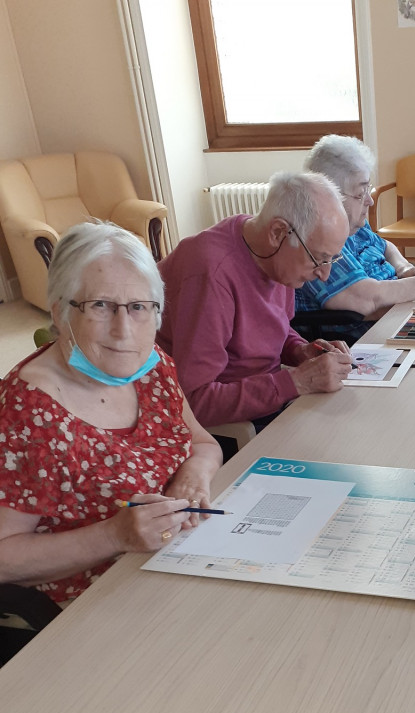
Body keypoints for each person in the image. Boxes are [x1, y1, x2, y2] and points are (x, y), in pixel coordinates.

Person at [0, 220, 222, 605]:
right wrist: (115, 535)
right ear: (60, 311)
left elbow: (202, 443)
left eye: (139, 307)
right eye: (100, 305)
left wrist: (192, 480)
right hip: (94, 601)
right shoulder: (29, 411)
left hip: (174, 564)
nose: (124, 331)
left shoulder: (153, 367)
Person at [156, 172, 352, 430]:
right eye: (319, 259)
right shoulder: (210, 272)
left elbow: (268, 330)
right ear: (278, 232)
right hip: (223, 428)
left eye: (332, 259)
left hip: (264, 396)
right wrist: (297, 382)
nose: (324, 274)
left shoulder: (272, 254)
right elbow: (193, 401)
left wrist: (300, 350)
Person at [296, 135, 415, 331]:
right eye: (360, 194)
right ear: (331, 196)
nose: (369, 201)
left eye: (368, 189)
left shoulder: (355, 226)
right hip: (371, 334)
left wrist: (403, 268)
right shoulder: (321, 241)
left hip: (398, 313)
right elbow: (368, 298)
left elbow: (385, 245)